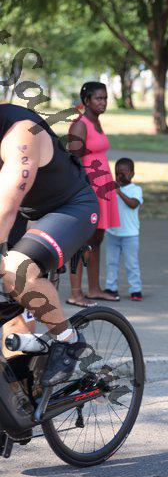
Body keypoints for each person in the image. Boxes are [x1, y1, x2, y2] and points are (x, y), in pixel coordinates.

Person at [0, 103, 99, 386]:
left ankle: (68, 340)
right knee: (10, 313)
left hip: (70, 208)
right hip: (24, 211)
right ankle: (20, 399)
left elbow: (7, 205)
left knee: (16, 271)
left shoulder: (21, 133)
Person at [67, 82, 120, 305]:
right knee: (82, 240)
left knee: (97, 239)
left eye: (105, 98)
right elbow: (73, 161)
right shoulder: (80, 124)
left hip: (103, 186)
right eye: (99, 98)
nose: (103, 102)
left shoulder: (97, 121)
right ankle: (75, 293)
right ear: (86, 101)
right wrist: (84, 191)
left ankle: (94, 289)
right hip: (88, 188)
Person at [105, 158, 143, 301]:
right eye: (117, 173)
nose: (120, 176)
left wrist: (119, 192)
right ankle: (111, 287)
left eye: (123, 173)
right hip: (112, 233)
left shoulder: (136, 189)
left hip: (130, 235)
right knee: (111, 262)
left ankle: (135, 289)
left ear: (132, 173)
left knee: (131, 264)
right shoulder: (112, 190)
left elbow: (133, 204)